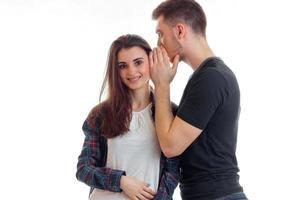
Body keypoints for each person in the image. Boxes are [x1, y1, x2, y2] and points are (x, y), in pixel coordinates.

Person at [149, 0, 248, 200]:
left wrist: (162, 85)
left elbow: (170, 146)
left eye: (160, 34)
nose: (159, 43)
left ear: (179, 31)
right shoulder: (207, 76)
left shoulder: (211, 78)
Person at [76, 34, 179, 200]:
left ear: (151, 61)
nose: (131, 71)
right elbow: (84, 169)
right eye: (123, 66)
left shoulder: (170, 113)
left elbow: (173, 172)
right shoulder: (101, 115)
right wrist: (121, 181)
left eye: (138, 62)